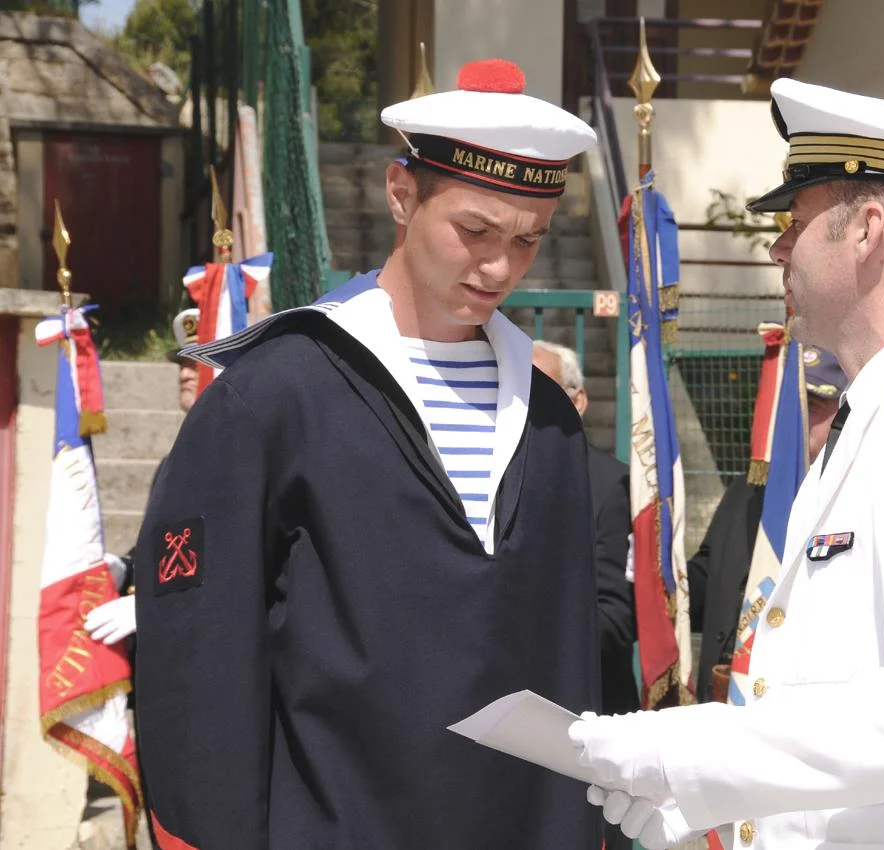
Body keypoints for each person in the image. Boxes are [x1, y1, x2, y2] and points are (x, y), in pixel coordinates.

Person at [569, 79, 884, 850]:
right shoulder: (877, 422)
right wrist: (697, 795)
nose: (777, 248)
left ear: (867, 232)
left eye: (796, 223)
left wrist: (686, 752)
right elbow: (827, 698)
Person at [132, 60, 603, 849]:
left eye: (528, 240)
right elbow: (200, 660)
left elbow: (566, 657)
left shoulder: (550, 419)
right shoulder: (274, 396)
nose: (499, 268)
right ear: (401, 195)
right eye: (475, 230)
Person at [686, 344, 845, 703]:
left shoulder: (846, 499)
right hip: (722, 701)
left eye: (813, 408)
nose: (796, 422)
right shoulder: (747, 491)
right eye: (790, 408)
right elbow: (706, 577)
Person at [532, 338, 637, 850]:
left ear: (577, 400)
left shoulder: (614, 486)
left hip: (585, 735)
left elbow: (616, 620)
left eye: (541, 390)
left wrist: (516, 635)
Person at [84, 308, 202, 650]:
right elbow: (169, 541)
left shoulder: (240, 458)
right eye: (182, 362)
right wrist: (127, 567)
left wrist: (154, 605)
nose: (185, 372)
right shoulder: (174, 459)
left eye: (197, 361)